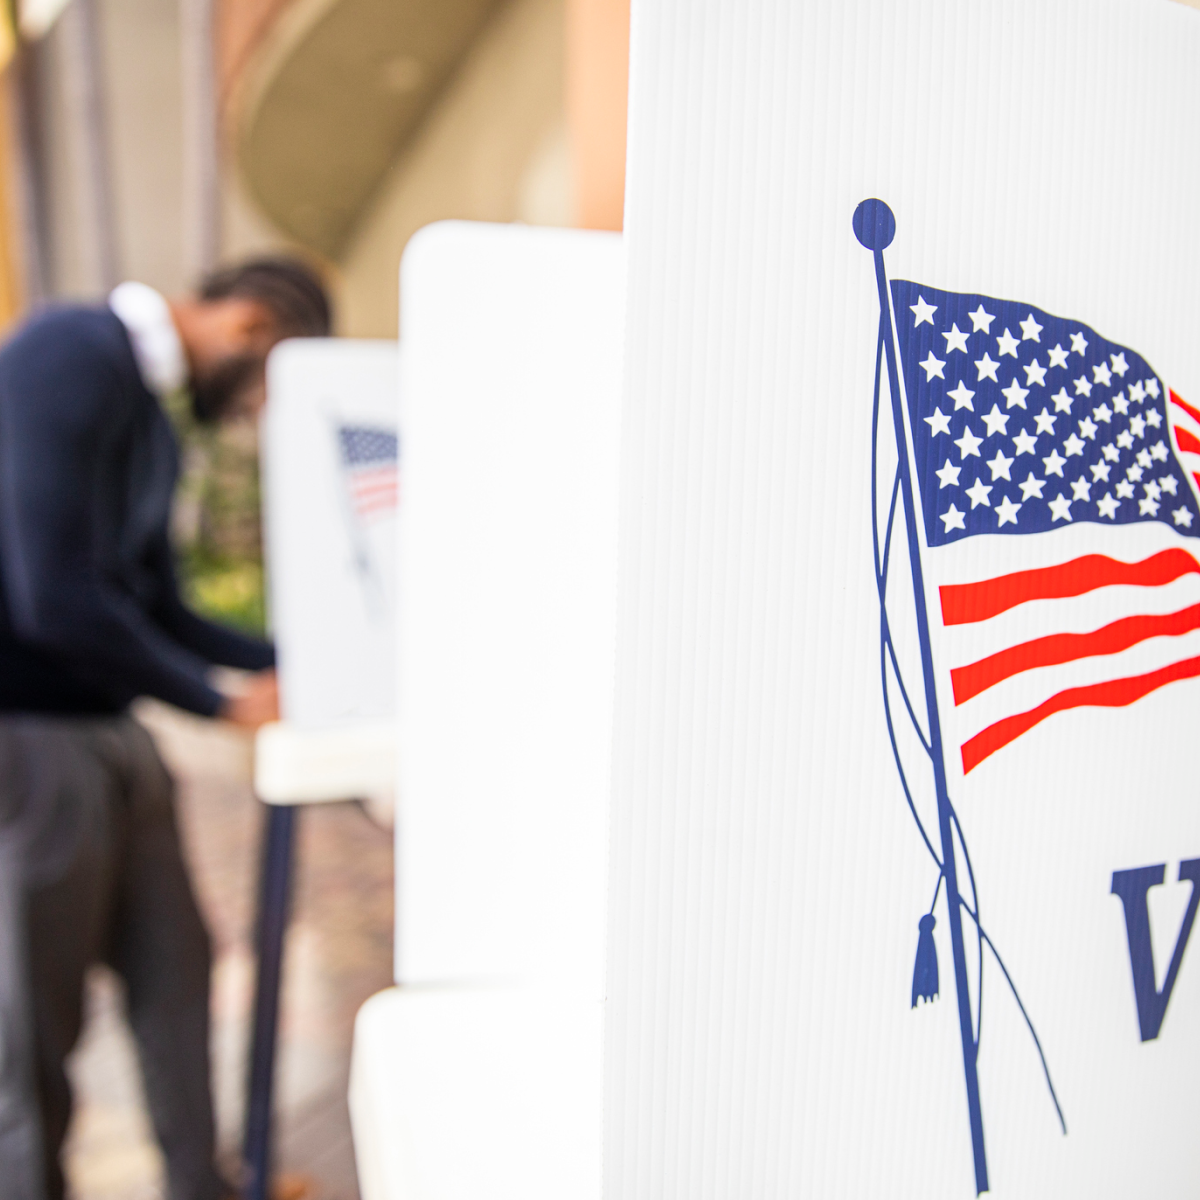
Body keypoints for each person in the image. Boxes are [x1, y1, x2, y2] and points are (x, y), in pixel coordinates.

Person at [0, 259, 332, 1200]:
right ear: (254, 326)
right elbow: (54, 598)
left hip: (113, 725)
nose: (256, 406)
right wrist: (221, 702)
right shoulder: (68, 353)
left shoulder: (148, 409)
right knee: (33, 1016)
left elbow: (155, 602)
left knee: (176, 966)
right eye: (271, 379)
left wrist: (282, 660)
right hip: (30, 733)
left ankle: (205, 1187)